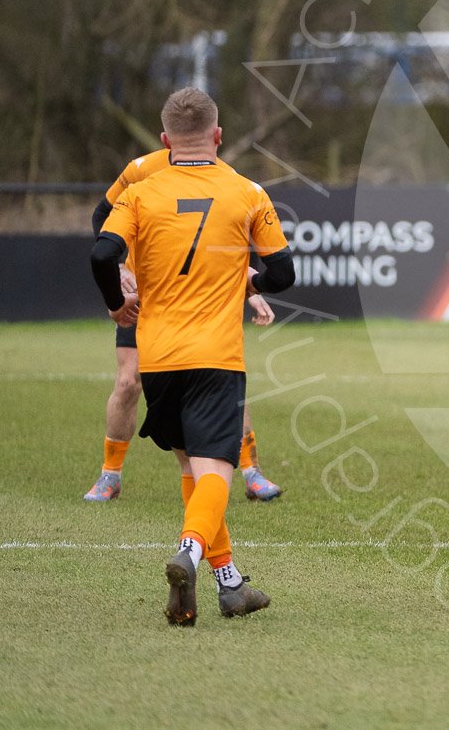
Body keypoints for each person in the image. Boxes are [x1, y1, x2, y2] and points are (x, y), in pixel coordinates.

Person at [90, 87, 295, 625]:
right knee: (217, 473)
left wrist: (117, 304)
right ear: (218, 136)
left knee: (190, 464)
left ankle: (230, 584)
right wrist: (250, 277)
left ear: (165, 141)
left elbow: (101, 250)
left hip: (156, 357)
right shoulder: (246, 191)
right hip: (216, 357)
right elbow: (284, 273)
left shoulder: (140, 191)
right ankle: (189, 549)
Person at [84, 150, 283, 503]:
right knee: (129, 380)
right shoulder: (142, 170)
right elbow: (103, 215)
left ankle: (251, 471)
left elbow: (234, 233)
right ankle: (109, 475)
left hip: (202, 298)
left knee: (223, 376)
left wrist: (247, 289)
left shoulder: (226, 175)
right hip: (149, 293)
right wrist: (119, 268)